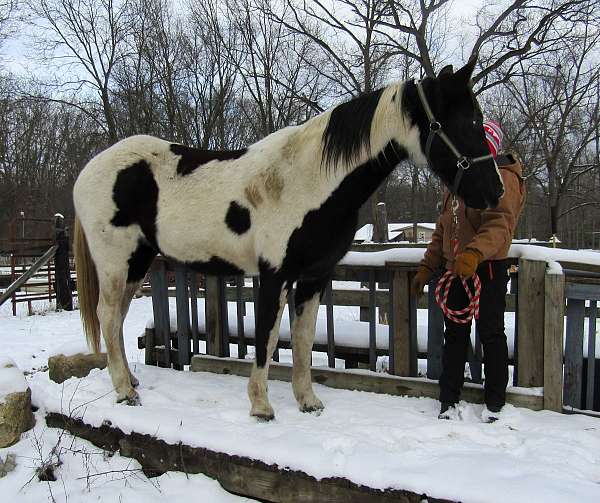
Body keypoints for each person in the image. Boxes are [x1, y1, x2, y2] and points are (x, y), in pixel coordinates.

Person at [411, 120, 526, 420]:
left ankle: (495, 403)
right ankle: (448, 400)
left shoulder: (503, 177)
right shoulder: (459, 178)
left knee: (491, 334)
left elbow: (500, 224)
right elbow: (444, 229)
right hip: (456, 269)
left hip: (487, 269)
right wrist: (427, 267)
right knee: (455, 335)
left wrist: (474, 254)